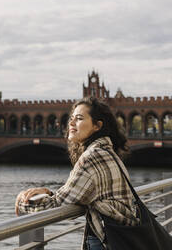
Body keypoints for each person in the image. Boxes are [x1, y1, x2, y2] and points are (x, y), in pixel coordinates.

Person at [15, 97, 139, 250]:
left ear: (97, 126)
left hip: (109, 241)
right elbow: (76, 196)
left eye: (79, 118)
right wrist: (48, 192)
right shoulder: (107, 152)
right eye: (71, 118)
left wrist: (22, 201)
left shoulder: (92, 157)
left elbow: (55, 206)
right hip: (123, 238)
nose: (71, 123)